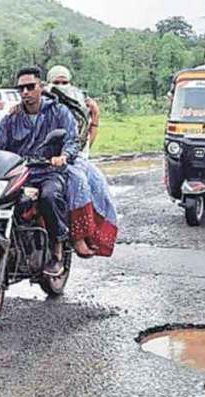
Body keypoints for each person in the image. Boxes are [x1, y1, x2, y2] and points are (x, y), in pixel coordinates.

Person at [0, 66, 79, 276]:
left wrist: (63, 156)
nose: (25, 92)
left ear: (41, 87)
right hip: (21, 172)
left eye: (30, 87)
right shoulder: (12, 117)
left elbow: (71, 140)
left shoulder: (58, 111)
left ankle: (56, 252)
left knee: (49, 196)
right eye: (21, 88)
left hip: (49, 171)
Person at [44, 65, 118, 258]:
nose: (61, 87)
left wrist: (95, 116)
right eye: (56, 83)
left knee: (96, 184)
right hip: (42, 158)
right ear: (47, 84)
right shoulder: (42, 104)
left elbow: (83, 143)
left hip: (71, 159)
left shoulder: (79, 107)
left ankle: (84, 237)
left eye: (64, 82)